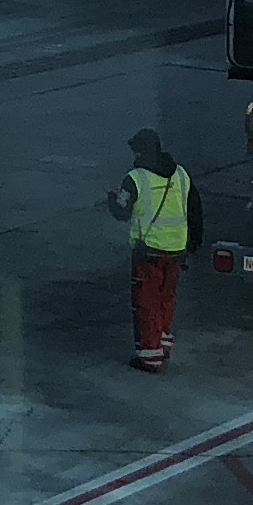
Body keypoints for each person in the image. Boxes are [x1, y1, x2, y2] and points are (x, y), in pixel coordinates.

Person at [111, 128, 194, 371]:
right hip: (177, 247)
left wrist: (110, 200)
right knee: (166, 298)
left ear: (140, 151)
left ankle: (150, 356)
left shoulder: (135, 178)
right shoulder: (180, 174)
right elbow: (192, 207)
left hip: (149, 250)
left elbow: (121, 212)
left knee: (146, 302)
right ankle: (163, 342)